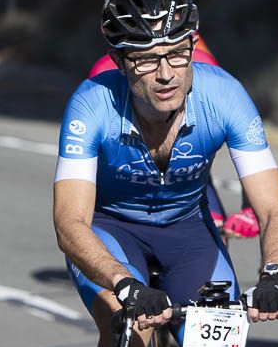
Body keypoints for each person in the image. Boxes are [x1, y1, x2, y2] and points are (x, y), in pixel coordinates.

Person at [54, 0, 278, 347]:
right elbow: (70, 222)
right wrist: (124, 284)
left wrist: (275, 273)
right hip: (111, 231)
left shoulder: (225, 94)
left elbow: (274, 206)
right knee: (128, 330)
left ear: (192, 47)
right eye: (145, 58)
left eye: (176, 53)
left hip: (187, 229)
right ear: (121, 61)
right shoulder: (91, 104)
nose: (164, 73)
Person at [87, 36, 259, 239]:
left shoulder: (213, 84)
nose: (165, 77)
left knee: (213, 229)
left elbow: (250, 150)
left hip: (188, 174)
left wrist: (251, 209)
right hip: (121, 178)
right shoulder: (103, 82)